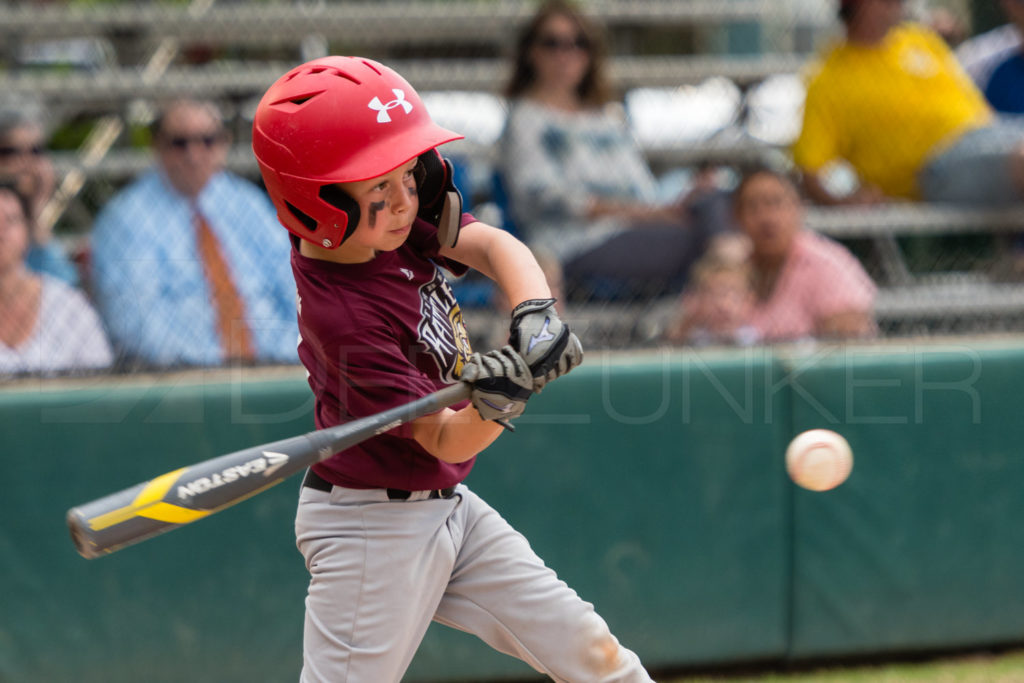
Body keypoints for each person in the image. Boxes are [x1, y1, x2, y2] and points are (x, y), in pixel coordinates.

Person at [251, 56, 651, 682]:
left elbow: (493, 245)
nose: (405, 200)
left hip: (446, 505)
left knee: (590, 651)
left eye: (409, 176)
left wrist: (535, 315)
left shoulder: (387, 229)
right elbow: (443, 436)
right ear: (319, 206)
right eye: (378, 190)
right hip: (371, 529)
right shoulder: (345, 314)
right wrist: (501, 401)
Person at [497, 0, 730, 301]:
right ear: (531, 52)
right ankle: (740, 298)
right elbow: (540, 196)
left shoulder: (606, 118)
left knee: (715, 200)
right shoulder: (525, 118)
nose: (566, 55)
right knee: (700, 239)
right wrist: (635, 212)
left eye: (578, 43)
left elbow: (644, 192)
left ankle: (730, 285)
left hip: (634, 228)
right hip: (575, 242)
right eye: (553, 43)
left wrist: (680, 200)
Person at [91, 98, 299, 368]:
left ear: (223, 143)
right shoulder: (126, 219)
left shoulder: (248, 204)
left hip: (277, 362)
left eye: (207, 141)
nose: (194, 155)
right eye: (180, 143)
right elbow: (135, 322)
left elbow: (295, 286)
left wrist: (290, 352)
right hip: (182, 377)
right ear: (157, 146)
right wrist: (212, 365)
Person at [792, 0, 1024, 207]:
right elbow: (810, 172)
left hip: (993, 132)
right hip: (937, 170)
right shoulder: (827, 81)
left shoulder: (920, 40)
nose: (897, 5)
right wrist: (847, 201)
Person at [730, 166, 877, 342]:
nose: (766, 217)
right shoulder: (730, 264)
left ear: (798, 208)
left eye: (775, 203)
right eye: (753, 207)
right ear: (738, 217)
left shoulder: (829, 263)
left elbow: (850, 339)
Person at [0, 180, 112, 375]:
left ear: (27, 230)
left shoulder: (67, 304)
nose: (1, 232)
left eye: (11, 220)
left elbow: (101, 377)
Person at [0, 100, 79, 286]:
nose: (27, 163)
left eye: (36, 151)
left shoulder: (34, 228)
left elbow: (65, 287)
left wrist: (35, 212)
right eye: (11, 152)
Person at [664, 236, 760, 347]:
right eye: (714, 296)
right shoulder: (692, 338)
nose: (724, 306)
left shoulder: (755, 338)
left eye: (735, 297)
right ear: (698, 299)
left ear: (749, 300)